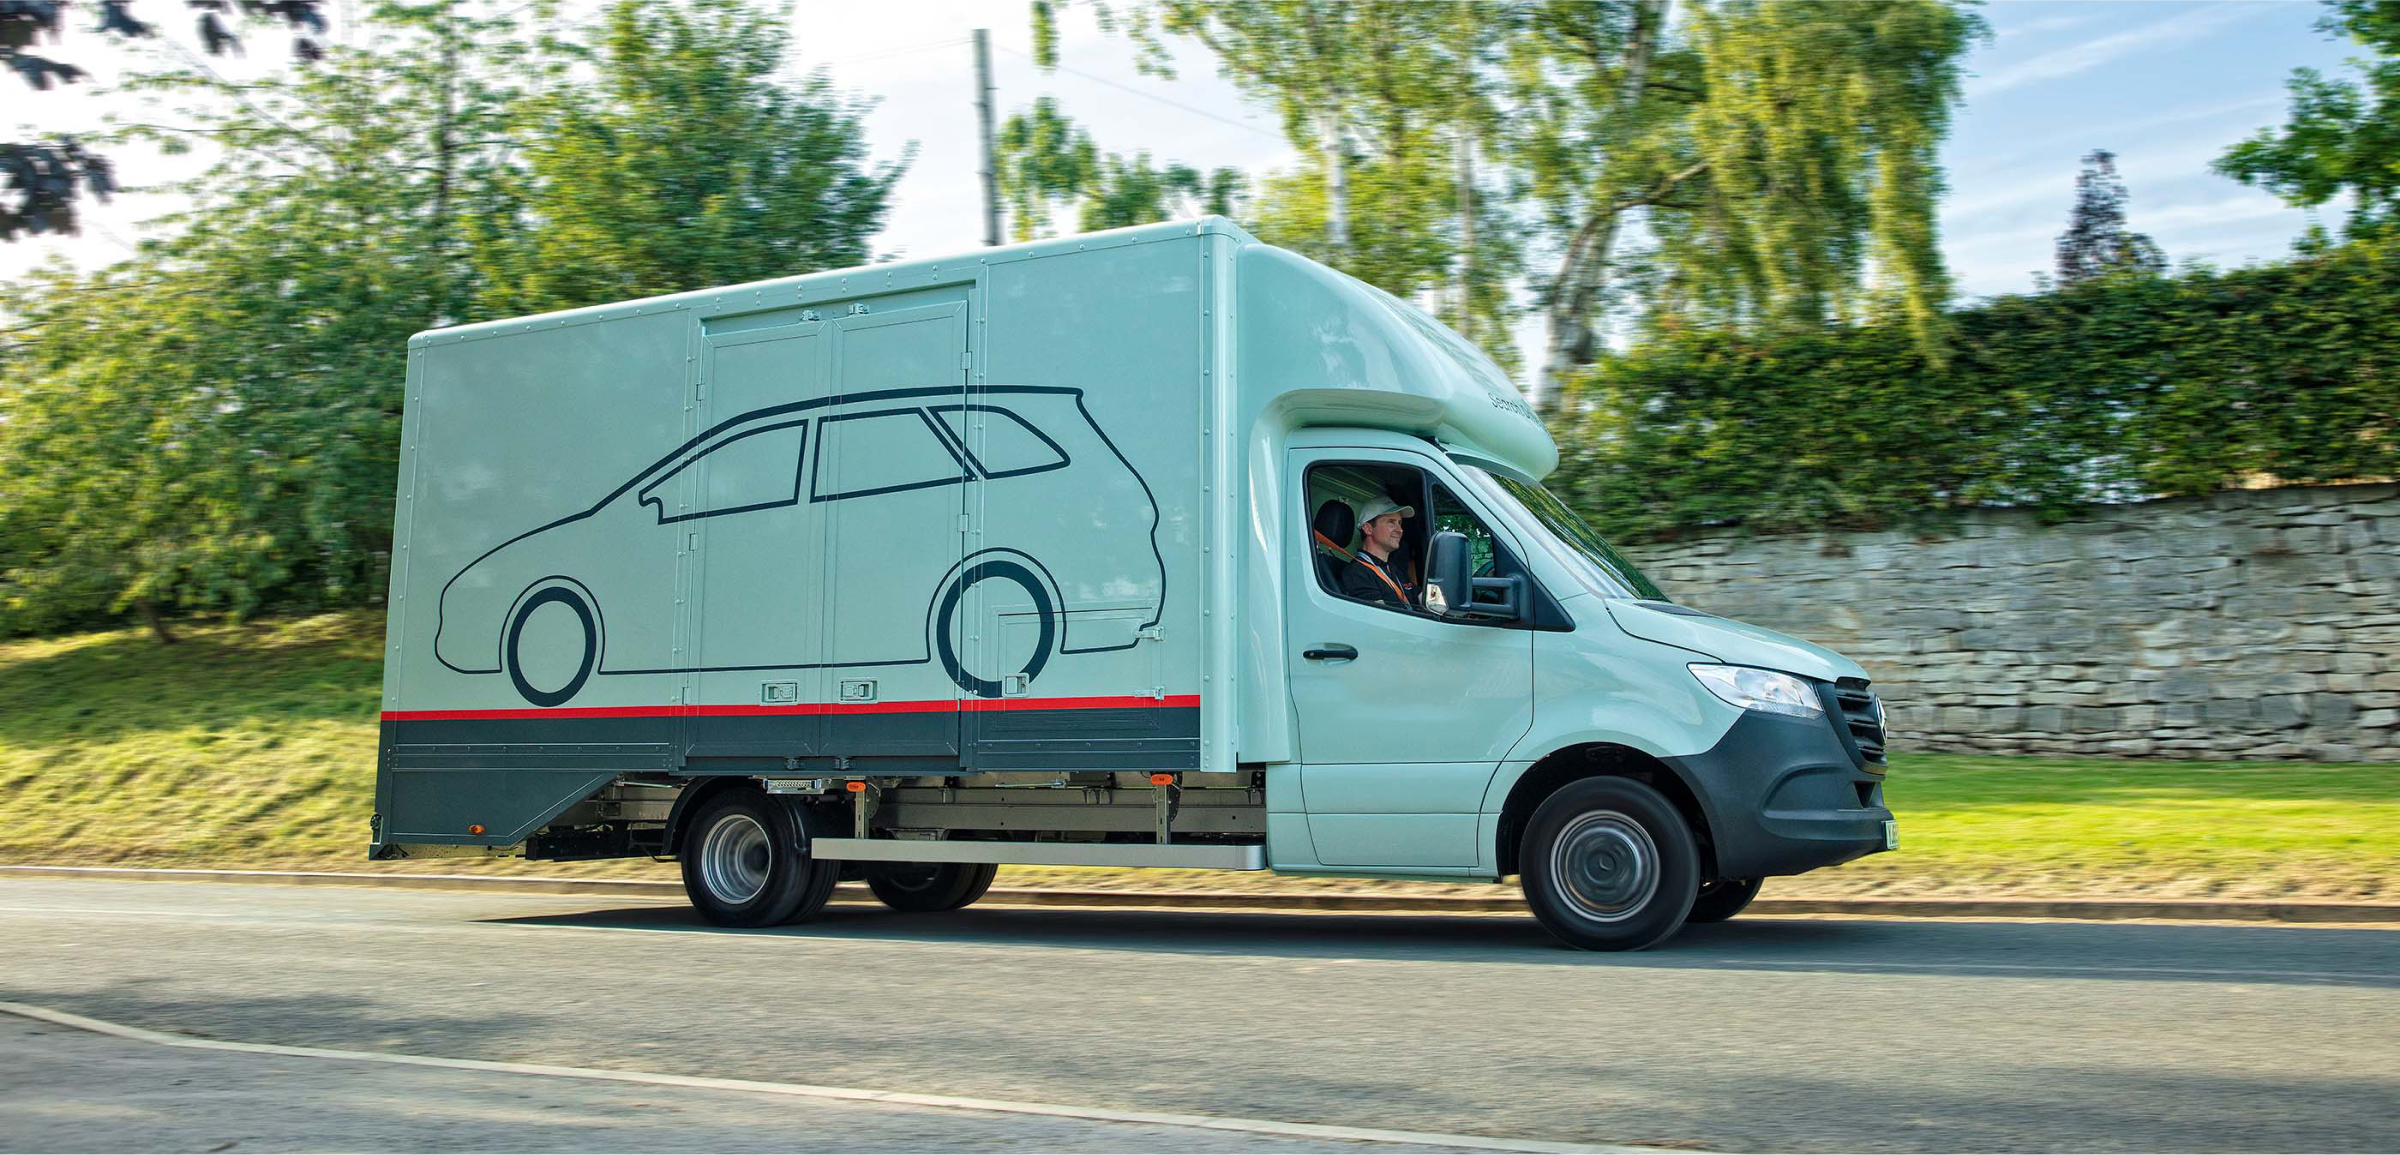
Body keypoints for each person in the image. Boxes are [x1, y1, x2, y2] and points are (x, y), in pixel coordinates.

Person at [1340, 495, 1417, 608]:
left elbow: (1423, 597)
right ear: (1368, 529)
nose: (1400, 530)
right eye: (1391, 522)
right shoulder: (1358, 572)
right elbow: (1381, 620)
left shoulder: (1393, 570)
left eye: (1399, 523)